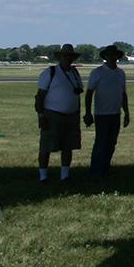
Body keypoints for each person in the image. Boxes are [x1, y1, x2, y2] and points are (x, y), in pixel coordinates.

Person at [36, 44, 85, 181]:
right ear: (60, 57)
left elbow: (78, 91)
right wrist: (41, 115)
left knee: (68, 146)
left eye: (70, 56)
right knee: (47, 146)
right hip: (52, 114)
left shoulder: (75, 73)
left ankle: (65, 175)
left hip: (71, 115)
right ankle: (43, 176)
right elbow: (40, 96)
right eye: (65, 56)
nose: (67, 58)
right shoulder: (50, 72)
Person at [84, 44, 131, 177]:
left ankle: (105, 168)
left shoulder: (120, 73)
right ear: (105, 57)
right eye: (109, 55)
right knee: (100, 142)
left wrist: (126, 112)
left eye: (114, 55)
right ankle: (95, 170)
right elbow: (89, 93)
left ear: (117, 56)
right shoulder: (97, 72)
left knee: (111, 143)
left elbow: (123, 94)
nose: (112, 57)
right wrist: (88, 112)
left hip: (115, 113)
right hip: (101, 114)